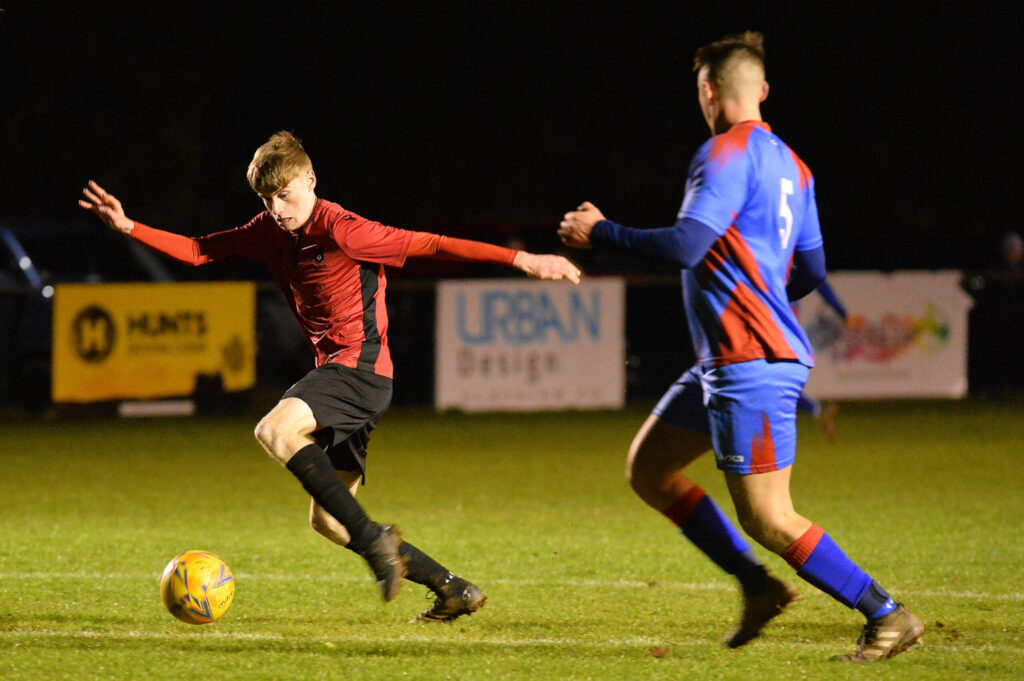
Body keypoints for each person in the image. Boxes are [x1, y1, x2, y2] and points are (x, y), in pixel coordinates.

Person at [80, 131, 581, 623]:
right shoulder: (269, 228)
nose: (278, 208)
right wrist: (128, 227)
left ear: (310, 179)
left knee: (273, 431)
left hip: (359, 369)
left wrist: (523, 259)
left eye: (284, 194)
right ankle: (453, 589)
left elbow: (432, 244)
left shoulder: (342, 228)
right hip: (345, 376)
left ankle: (375, 542)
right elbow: (197, 250)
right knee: (329, 521)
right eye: (267, 198)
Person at [558, 32, 922, 661]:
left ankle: (886, 613)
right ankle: (757, 587)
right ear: (763, 91)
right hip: (726, 359)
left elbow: (684, 246)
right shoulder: (795, 165)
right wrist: (757, 276)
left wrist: (601, 231)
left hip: (748, 358)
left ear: (707, 91)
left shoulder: (723, 153)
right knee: (649, 469)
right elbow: (810, 270)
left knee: (770, 519)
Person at [794, 279, 847, 444]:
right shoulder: (789, 258)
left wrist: (843, 312)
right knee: (782, 387)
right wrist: (842, 312)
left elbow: (817, 277)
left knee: (776, 386)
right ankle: (818, 410)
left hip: (775, 331)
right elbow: (817, 277)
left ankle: (817, 410)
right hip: (788, 333)